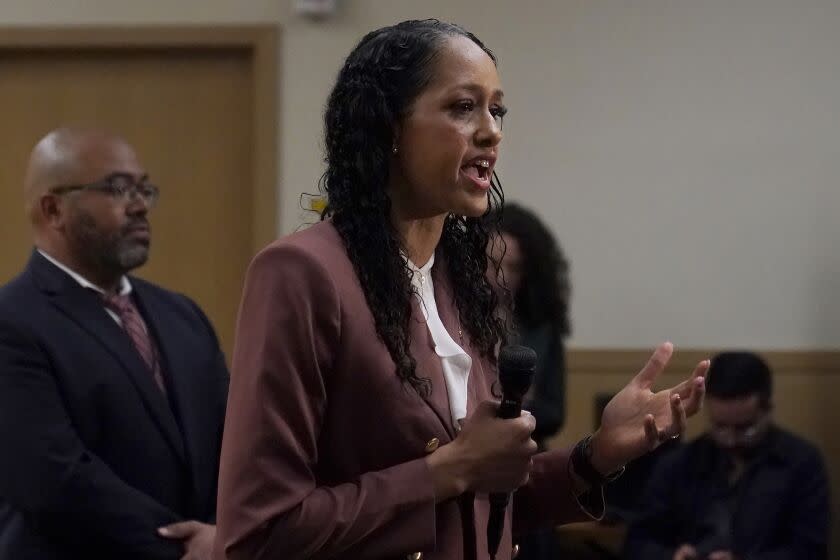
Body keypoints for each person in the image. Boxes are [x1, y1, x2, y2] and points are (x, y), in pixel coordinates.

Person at [215, 19, 708, 560]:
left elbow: (481, 508)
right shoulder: (301, 272)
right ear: (389, 128)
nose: (491, 130)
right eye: (462, 107)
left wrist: (596, 456)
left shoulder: (460, 280)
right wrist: (442, 472)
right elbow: (258, 534)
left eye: (497, 110)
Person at [0, 128, 229, 559]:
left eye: (144, 189)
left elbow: (233, 442)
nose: (140, 206)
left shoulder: (183, 316)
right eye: (117, 189)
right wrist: (183, 548)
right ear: (53, 210)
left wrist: (225, 534)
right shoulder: (13, 322)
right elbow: (53, 479)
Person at [623, 351, 830, 560]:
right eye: (720, 427)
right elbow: (637, 543)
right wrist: (672, 556)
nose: (730, 440)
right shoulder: (678, 464)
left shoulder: (801, 463)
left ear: (768, 410)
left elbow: (812, 550)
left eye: (745, 429)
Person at [489, 203, 571, 560]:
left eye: (514, 268)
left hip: (526, 469)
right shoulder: (447, 317)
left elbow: (554, 412)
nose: (501, 277)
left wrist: (520, 405)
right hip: (471, 469)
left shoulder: (540, 328)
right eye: (492, 263)